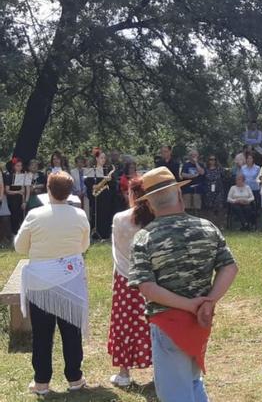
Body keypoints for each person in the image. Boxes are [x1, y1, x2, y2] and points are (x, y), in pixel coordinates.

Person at [128, 167, 238, 401]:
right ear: (179, 196)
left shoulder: (145, 237)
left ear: (149, 205)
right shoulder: (208, 227)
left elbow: (146, 288)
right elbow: (229, 267)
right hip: (201, 320)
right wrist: (208, 302)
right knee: (192, 382)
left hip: (168, 322)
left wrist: (192, 305)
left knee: (175, 393)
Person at [14, 171, 90, 395]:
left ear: (48, 189)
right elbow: (84, 246)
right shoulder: (80, 215)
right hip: (70, 280)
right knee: (71, 332)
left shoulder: (35, 215)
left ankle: (41, 382)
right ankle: (75, 378)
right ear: (70, 191)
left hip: (41, 283)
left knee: (42, 334)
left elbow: (20, 247)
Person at [107, 177, 154, 387]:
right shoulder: (156, 219)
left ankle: (124, 374)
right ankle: (160, 371)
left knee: (124, 324)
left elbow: (117, 247)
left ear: (131, 194)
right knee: (155, 324)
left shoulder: (119, 218)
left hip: (125, 277)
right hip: (152, 280)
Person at [180, 149, 206, 215]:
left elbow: (202, 172)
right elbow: (183, 174)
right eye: (192, 155)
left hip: (198, 189)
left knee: (196, 207)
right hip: (187, 188)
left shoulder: (201, 164)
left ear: (198, 156)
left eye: (195, 155)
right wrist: (194, 176)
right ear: (189, 156)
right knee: (187, 207)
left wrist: (196, 163)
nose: (193, 156)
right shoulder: (186, 165)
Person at [5, 158, 26, 234]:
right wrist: (17, 191)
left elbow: (23, 190)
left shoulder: (22, 176)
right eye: (18, 166)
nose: (20, 167)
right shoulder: (9, 176)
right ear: (14, 166)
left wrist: (24, 202)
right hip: (12, 201)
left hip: (20, 200)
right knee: (14, 218)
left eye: (21, 166)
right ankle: (14, 234)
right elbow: (7, 191)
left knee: (20, 217)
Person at [241, 153, 261, 227]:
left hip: (255, 189)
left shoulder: (257, 168)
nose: (249, 160)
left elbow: (259, 178)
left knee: (254, 207)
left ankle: (254, 223)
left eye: (251, 158)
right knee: (246, 207)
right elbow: (242, 178)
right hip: (246, 190)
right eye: (248, 158)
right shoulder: (243, 168)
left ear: (253, 159)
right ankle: (247, 223)